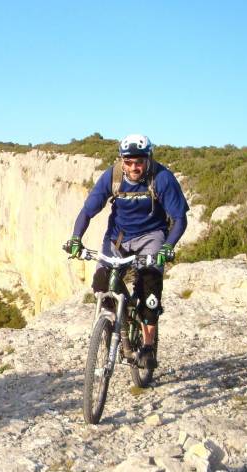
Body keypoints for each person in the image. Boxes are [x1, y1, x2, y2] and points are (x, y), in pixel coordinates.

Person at [65, 134, 189, 368]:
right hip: (118, 239)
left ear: (148, 159)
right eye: (129, 162)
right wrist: (75, 238)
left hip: (152, 236)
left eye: (139, 161)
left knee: (150, 291)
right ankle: (117, 326)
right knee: (102, 284)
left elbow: (180, 220)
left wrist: (166, 248)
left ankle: (148, 346)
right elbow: (87, 211)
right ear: (121, 160)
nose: (134, 167)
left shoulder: (162, 178)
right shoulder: (112, 177)